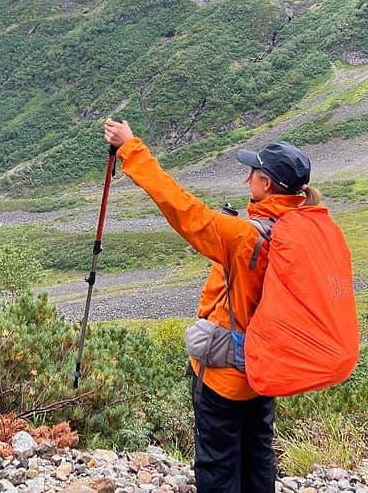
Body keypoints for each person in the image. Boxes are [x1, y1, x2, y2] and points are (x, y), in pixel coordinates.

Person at [103, 117, 320, 493]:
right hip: (265, 368)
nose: (245, 179)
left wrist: (130, 147)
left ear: (265, 184)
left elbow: (182, 208)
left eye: (251, 173)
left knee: (218, 466)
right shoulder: (302, 229)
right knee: (258, 457)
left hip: (224, 376)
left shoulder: (242, 237)